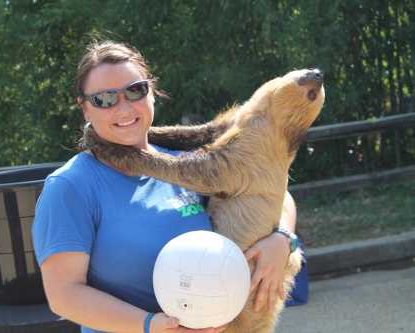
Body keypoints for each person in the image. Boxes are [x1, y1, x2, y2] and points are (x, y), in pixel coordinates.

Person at [32, 40, 303, 333]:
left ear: (152, 92)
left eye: (135, 90)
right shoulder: (71, 186)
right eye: (104, 99)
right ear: (84, 108)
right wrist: (150, 325)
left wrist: (282, 238)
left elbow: (274, 192)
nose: (123, 107)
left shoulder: (186, 164)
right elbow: (65, 295)